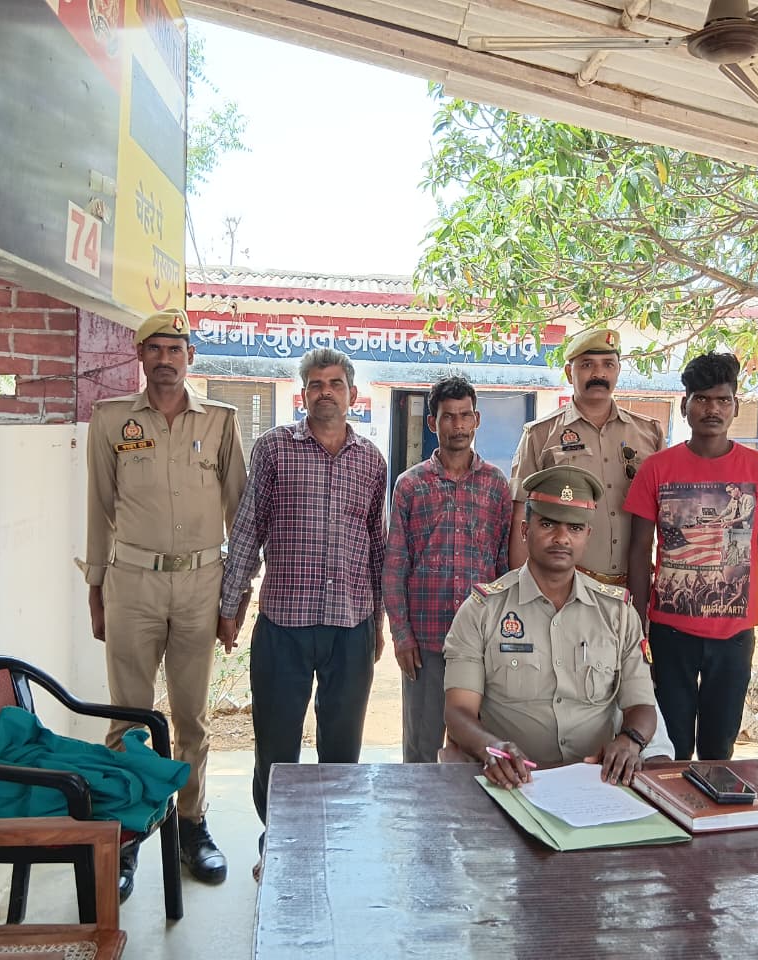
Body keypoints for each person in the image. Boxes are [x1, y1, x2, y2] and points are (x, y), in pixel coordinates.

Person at [82, 307, 245, 897]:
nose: (165, 359)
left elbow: (240, 513)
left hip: (202, 584)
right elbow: (99, 508)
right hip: (132, 584)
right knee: (128, 718)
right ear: (140, 355)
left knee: (192, 718)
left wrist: (235, 597)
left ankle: (192, 827)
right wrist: (95, 588)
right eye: (155, 348)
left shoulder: (221, 422)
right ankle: (126, 835)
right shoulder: (111, 421)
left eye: (176, 349)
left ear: (190, 357)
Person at [217, 347, 387, 866]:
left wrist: (378, 621)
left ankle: (334, 846)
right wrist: (231, 603)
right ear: (303, 393)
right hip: (283, 624)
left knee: (342, 748)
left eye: (335, 384)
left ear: (352, 394)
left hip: (350, 624)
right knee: (276, 746)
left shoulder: (371, 460)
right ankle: (278, 844)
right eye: (316, 384)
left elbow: (376, 544)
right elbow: (248, 527)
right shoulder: (274, 449)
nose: (326, 392)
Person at [443, 465, 673, 790]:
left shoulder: (617, 613)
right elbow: (458, 712)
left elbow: (642, 705)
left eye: (575, 528)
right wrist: (491, 748)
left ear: (587, 535)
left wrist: (630, 741)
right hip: (513, 781)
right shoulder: (482, 611)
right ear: (525, 530)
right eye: (548, 524)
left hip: (599, 781)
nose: (562, 538)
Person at [624, 352, 758, 761]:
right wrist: (636, 628)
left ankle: (714, 805)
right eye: (702, 399)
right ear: (684, 405)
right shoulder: (656, 469)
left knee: (719, 749)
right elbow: (638, 553)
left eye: (723, 400)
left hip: (734, 637)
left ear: (735, 406)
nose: (713, 409)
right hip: (670, 635)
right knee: (671, 748)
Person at [382, 376, 511, 763]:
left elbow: (504, 565)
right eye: (448, 417)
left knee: (479, 751)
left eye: (465, 416)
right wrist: (401, 635)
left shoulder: (496, 485)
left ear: (477, 420)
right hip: (426, 641)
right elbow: (395, 566)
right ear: (432, 422)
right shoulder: (410, 485)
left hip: (482, 643)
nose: (458, 425)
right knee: (421, 751)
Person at [508, 328, 664, 585]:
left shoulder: (649, 433)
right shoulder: (540, 434)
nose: (598, 374)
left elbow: (665, 516)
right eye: (587, 364)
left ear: (618, 370)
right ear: (570, 373)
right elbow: (521, 518)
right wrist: (520, 590)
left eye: (608, 364)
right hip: (567, 587)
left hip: (634, 586)